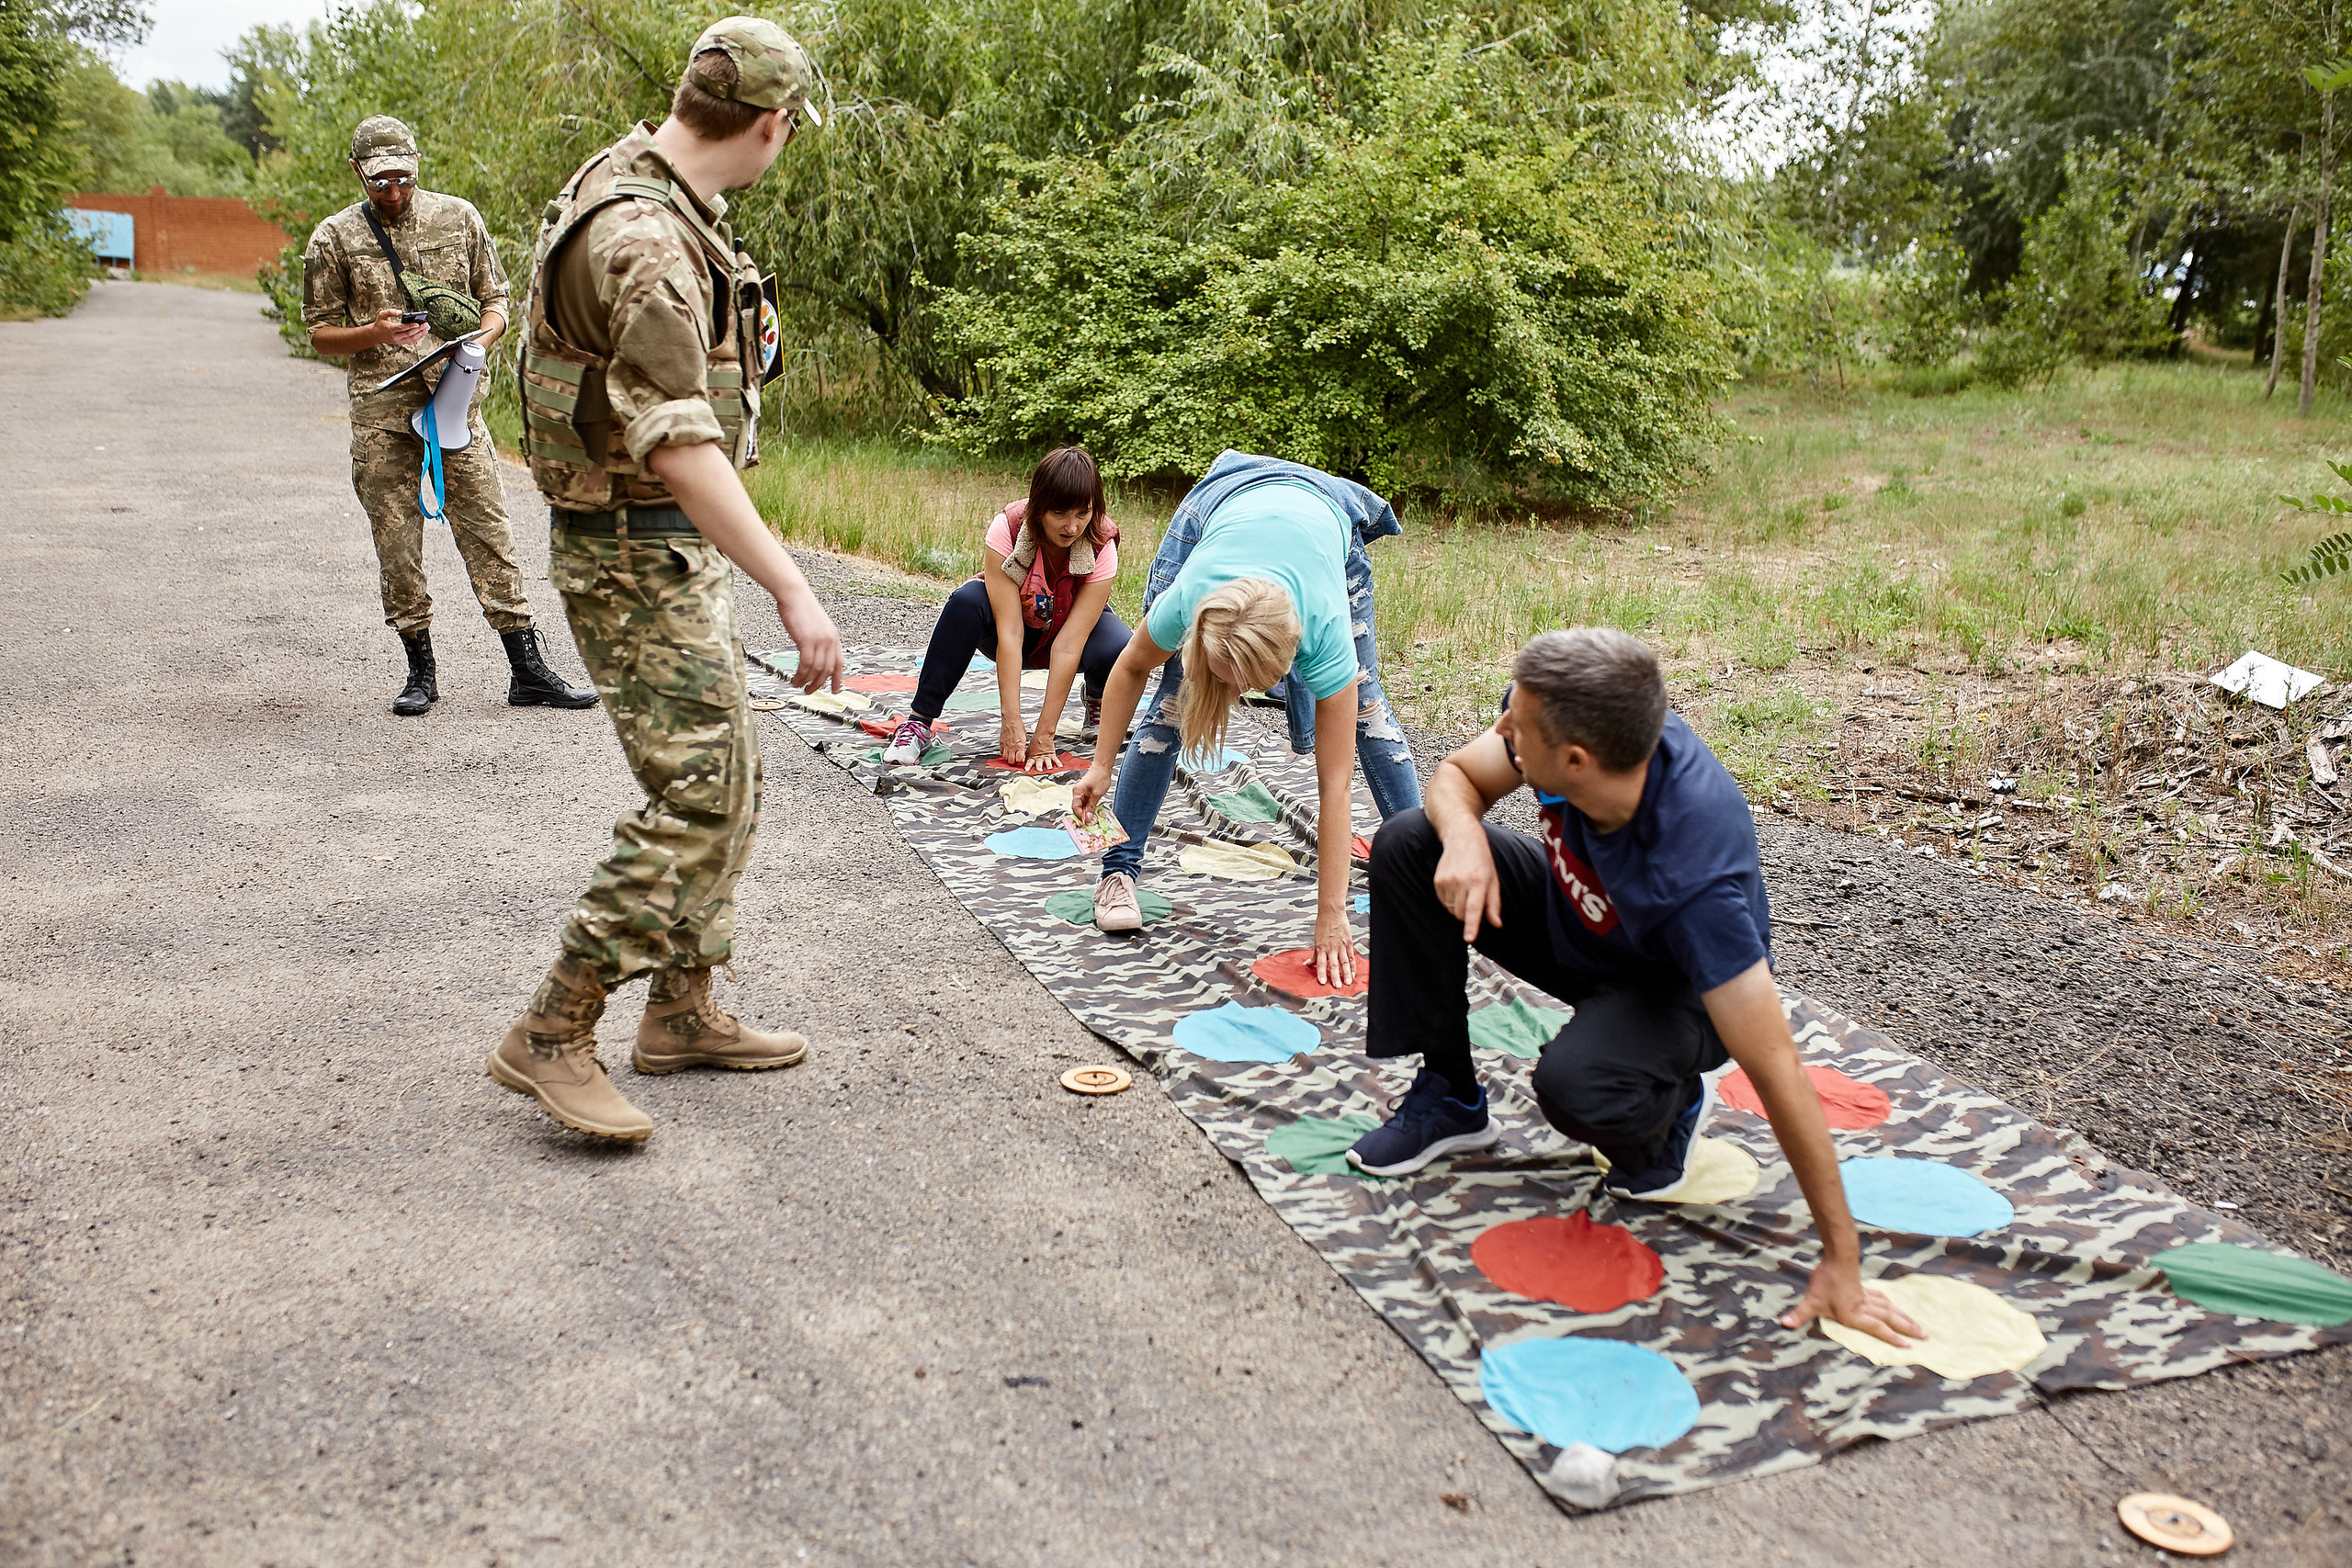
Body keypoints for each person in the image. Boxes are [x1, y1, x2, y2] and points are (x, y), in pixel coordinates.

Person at [1346, 627, 1923, 1347]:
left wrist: (1843, 1260)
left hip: (1670, 992)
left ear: (1576, 761)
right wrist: (1464, 837)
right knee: (1410, 842)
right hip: (1576, 922)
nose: (1501, 732)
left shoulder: (1696, 876)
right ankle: (1452, 1098)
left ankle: (1669, 1111)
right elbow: (1457, 776)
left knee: (1575, 1085)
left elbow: (1779, 1069)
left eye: (1515, 731)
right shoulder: (1562, 719)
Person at [485, 17, 844, 1143]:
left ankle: (681, 1011)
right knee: (699, 794)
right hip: (633, 551)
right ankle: (550, 1030)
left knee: (728, 779)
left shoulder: (645, 180)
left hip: (658, 547)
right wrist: (793, 586)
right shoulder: (644, 238)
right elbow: (679, 444)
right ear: (774, 126)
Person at [1069, 451, 1420, 986]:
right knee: (1170, 709)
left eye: (1245, 685)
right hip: (1222, 506)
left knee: (1367, 714)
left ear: (1288, 663)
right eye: (1221, 674)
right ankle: (1118, 873)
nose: (1231, 695)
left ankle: (1423, 874)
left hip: (1322, 517)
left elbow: (1335, 784)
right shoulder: (1192, 599)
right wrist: (1099, 765)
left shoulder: (1325, 631)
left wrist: (1331, 916)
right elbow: (1131, 665)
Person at [302, 114, 596, 717]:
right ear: (356, 170)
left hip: (454, 398)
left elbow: (497, 298)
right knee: (397, 539)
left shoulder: (459, 217)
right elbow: (320, 334)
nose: (392, 192)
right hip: (382, 406)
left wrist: (481, 340)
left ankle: (528, 670)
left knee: (489, 527)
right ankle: (420, 671)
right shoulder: (332, 239)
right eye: (379, 180)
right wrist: (372, 331)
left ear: (417, 165)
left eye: (403, 179)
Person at [882, 446, 1129, 771]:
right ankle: (919, 722)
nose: (1071, 527)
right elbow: (1009, 631)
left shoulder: (1101, 541)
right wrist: (1011, 721)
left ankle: (1096, 698)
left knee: (1121, 640)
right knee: (965, 602)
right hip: (1012, 631)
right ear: (1039, 507)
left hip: (1066, 632)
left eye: (1082, 513)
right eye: (1060, 514)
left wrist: (1044, 735)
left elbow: (1070, 645)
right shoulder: (1008, 527)